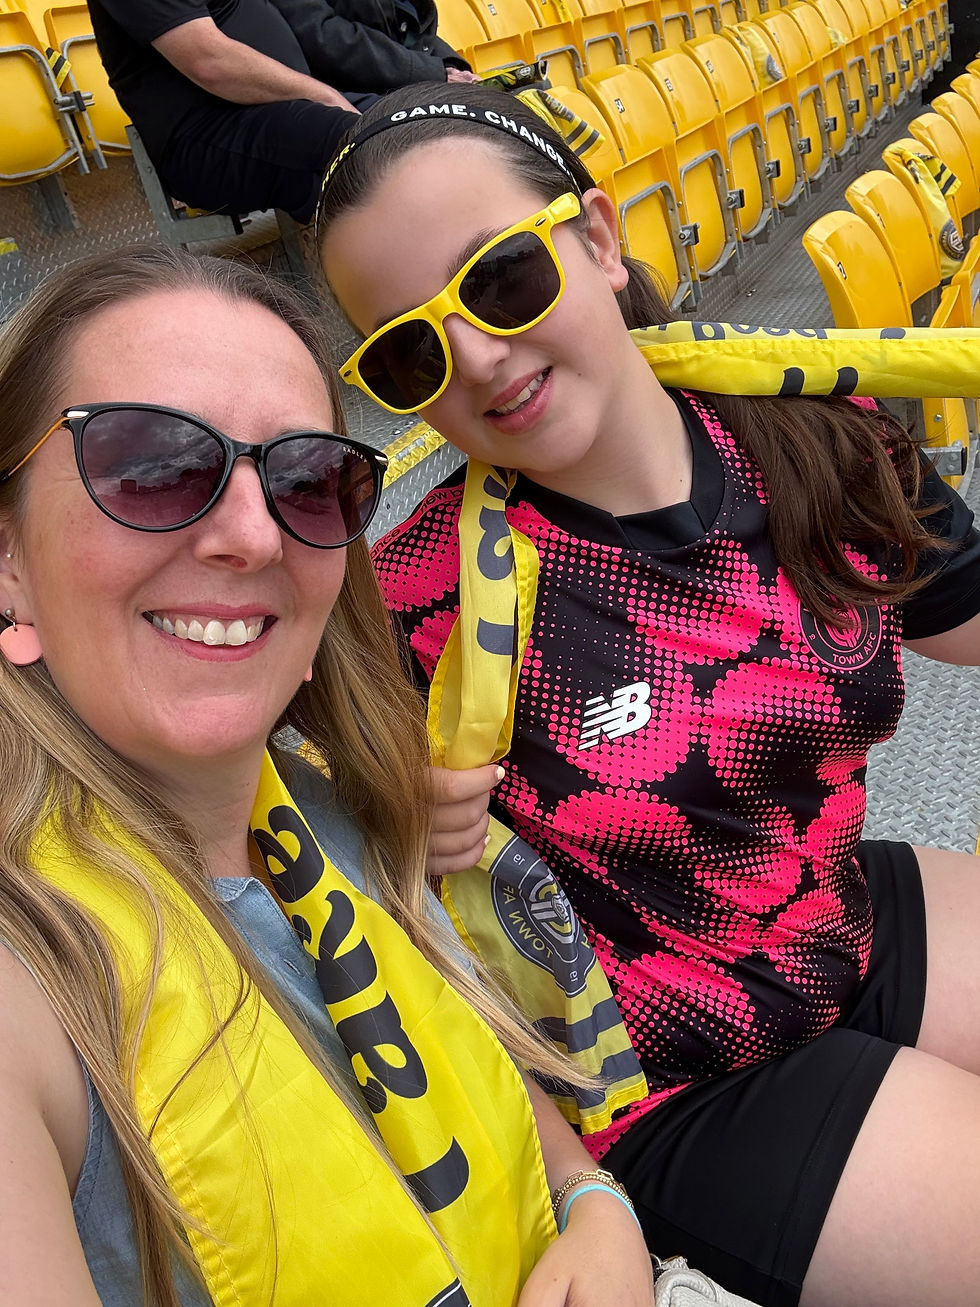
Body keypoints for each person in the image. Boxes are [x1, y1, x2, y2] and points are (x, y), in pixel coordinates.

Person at [316, 82, 980, 1307]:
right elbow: (353, 948)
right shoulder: (402, 610)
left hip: (828, 906)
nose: (475, 356)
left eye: (500, 279)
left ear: (599, 238)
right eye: (409, 350)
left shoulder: (807, 435)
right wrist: (398, 831)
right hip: (666, 1072)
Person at [0, 245, 656, 1306]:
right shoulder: (30, 975)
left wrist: (596, 1204)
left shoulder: (336, 814)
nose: (253, 532)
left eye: (307, 479)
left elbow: (492, 1088)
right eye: (152, 465)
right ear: (7, 552)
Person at [89, 0, 359, 222]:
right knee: (355, 138)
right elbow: (209, 62)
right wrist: (324, 95)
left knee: (394, 114)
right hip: (208, 135)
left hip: (285, 105)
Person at [270, 0, 480, 97]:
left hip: (397, 80)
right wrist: (433, 72)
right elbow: (323, 36)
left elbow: (414, 26)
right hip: (327, 92)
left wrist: (450, 65)